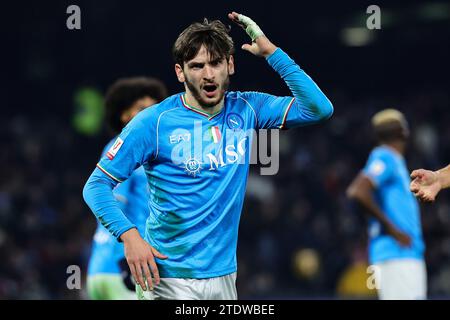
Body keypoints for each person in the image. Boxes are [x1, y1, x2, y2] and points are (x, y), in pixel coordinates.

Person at [83, 11, 333, 300]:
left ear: (230, 64)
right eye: (197, 66)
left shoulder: (248, 109)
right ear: (180, 72)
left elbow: (318, 109)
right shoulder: (154, 122)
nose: (208, 74)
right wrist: (129, 236)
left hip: (224, 277)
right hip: (167, 277)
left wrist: (271, 52)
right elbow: (96, 185)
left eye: (215, 63)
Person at [86, 77, 168, 299]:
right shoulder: (127, 152)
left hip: (101, 269)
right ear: (124, 115)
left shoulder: (115, 149)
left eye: (154, 109)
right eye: (142, 109)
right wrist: (125, 260)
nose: (149, 115)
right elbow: (112, 202)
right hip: (124, 269)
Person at [346, 109, 426, 300]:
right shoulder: (385, 157)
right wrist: (392, 229)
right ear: (403, 132)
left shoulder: (394, 160)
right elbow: (358, 191)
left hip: (397, 253)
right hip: (397, 253)